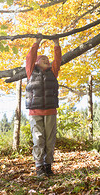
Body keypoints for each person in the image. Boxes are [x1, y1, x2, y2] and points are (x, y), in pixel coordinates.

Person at [25, 37, 62, 177]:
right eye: (43, 59)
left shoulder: (53, 72)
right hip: (35, 111)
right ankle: (39, 166)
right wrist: (36, 42)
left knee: (49, 139)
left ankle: (48, 166)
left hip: (51, 110)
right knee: (38, 138)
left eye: (47, 59)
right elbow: (30, 57)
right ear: (36, 62)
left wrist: (56, 44)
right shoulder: (30, 72)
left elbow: (57, 60)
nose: (47, 60)